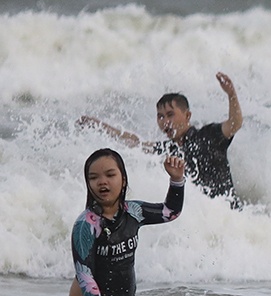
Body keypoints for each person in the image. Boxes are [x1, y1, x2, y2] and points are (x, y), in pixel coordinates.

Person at [77, 71, 243, 201]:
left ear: (187, 116)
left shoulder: (208, 136)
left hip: (229, 214)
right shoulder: (168, 149)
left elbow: (235, 123)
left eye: (170, 114)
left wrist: (231, 94)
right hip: (203, 218)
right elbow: (135, 143)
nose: (165, 122)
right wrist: (98, 125)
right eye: (160, 116)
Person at [68, 148, 185, 296]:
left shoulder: (134, 212)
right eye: (94, 178)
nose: (102, 182)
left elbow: (170, 212)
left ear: (123, 180)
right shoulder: (86, 225)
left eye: (110, 175)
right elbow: (84, 272)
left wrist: (176, 180)